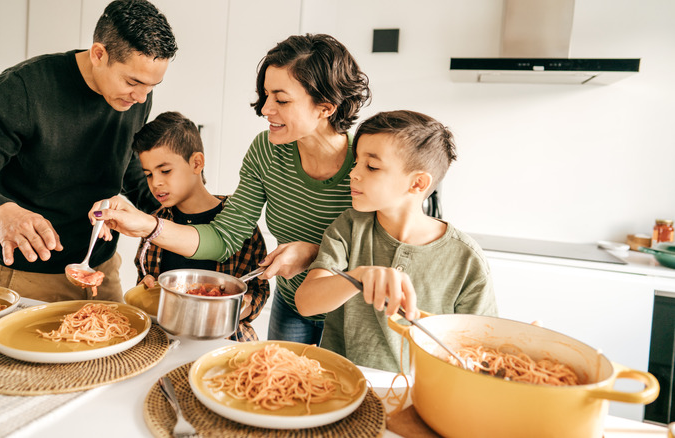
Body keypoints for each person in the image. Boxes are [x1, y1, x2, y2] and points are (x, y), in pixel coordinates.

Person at [90, 33, 370, 344]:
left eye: (281, 99)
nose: (265, 109)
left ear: (325, 107)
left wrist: (314, 254)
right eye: (265, 95)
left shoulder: (369, 160)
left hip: (354, 312)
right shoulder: (266, 151)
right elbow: (223, 237)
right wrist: (147, 224)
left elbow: (387, 255)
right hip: (292, 305)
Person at [0, 0, 177, 302]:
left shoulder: (133, 97)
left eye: (152, 86)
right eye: (133, 82)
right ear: (99, 54)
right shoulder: (21, 90)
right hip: (26, 275)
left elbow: (126, 165)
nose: (141, 98)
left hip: (102, 270)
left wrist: (177, 215)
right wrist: (1, 213)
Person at [294, 110, 498, 373]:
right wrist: (359, 276)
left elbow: (480, 351)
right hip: (342, 382)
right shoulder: (349, 227)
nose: (353, 174)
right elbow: (307, 302)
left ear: (417, 183)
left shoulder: (466, 259)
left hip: (421, 393)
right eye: (356, 162)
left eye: (372, 166)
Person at [130, 111, 270, 341]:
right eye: (148, 174)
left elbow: (258, 292)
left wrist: (239, 306)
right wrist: (147, 289)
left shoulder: (238, 221)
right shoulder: (155, 223)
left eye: (165, 171)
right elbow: (145, 279)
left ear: (197, 163)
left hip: (224, 338)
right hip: (164, 338)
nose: (156, 183)